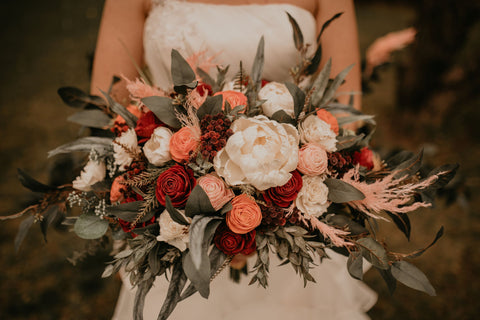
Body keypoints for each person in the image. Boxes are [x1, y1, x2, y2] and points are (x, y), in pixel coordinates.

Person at [91, 0, 376, 319]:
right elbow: (107, 107)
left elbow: (347, 113)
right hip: (173, 231)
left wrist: (264, 221)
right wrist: (127, 214)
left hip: (291, 220)